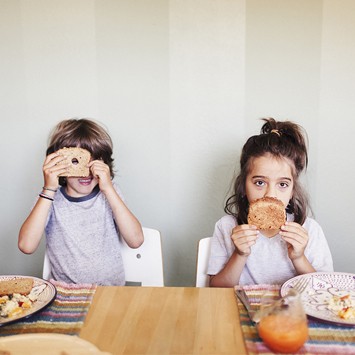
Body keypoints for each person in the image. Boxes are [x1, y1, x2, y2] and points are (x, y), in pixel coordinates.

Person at [207, 118, 333, 287]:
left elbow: (324, 290)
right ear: (243, 186)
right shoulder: (226, 227)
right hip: (240, 310)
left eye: (282, 184)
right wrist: (240, 254)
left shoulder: (310, 230)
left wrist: (299, 257)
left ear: (292, 190)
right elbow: (217, 289)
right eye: (260, 182)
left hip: (292, 311)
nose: (270, 194)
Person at [18, 118, 144, 285]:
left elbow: (136, 240)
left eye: (95, 162)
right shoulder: (49, 199)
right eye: (77, 162)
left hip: (110, 291)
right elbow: (26, 246)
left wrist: (109, 189)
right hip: (66, 294)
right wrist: (48, 189)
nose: (86, 173)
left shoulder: (109, 193)